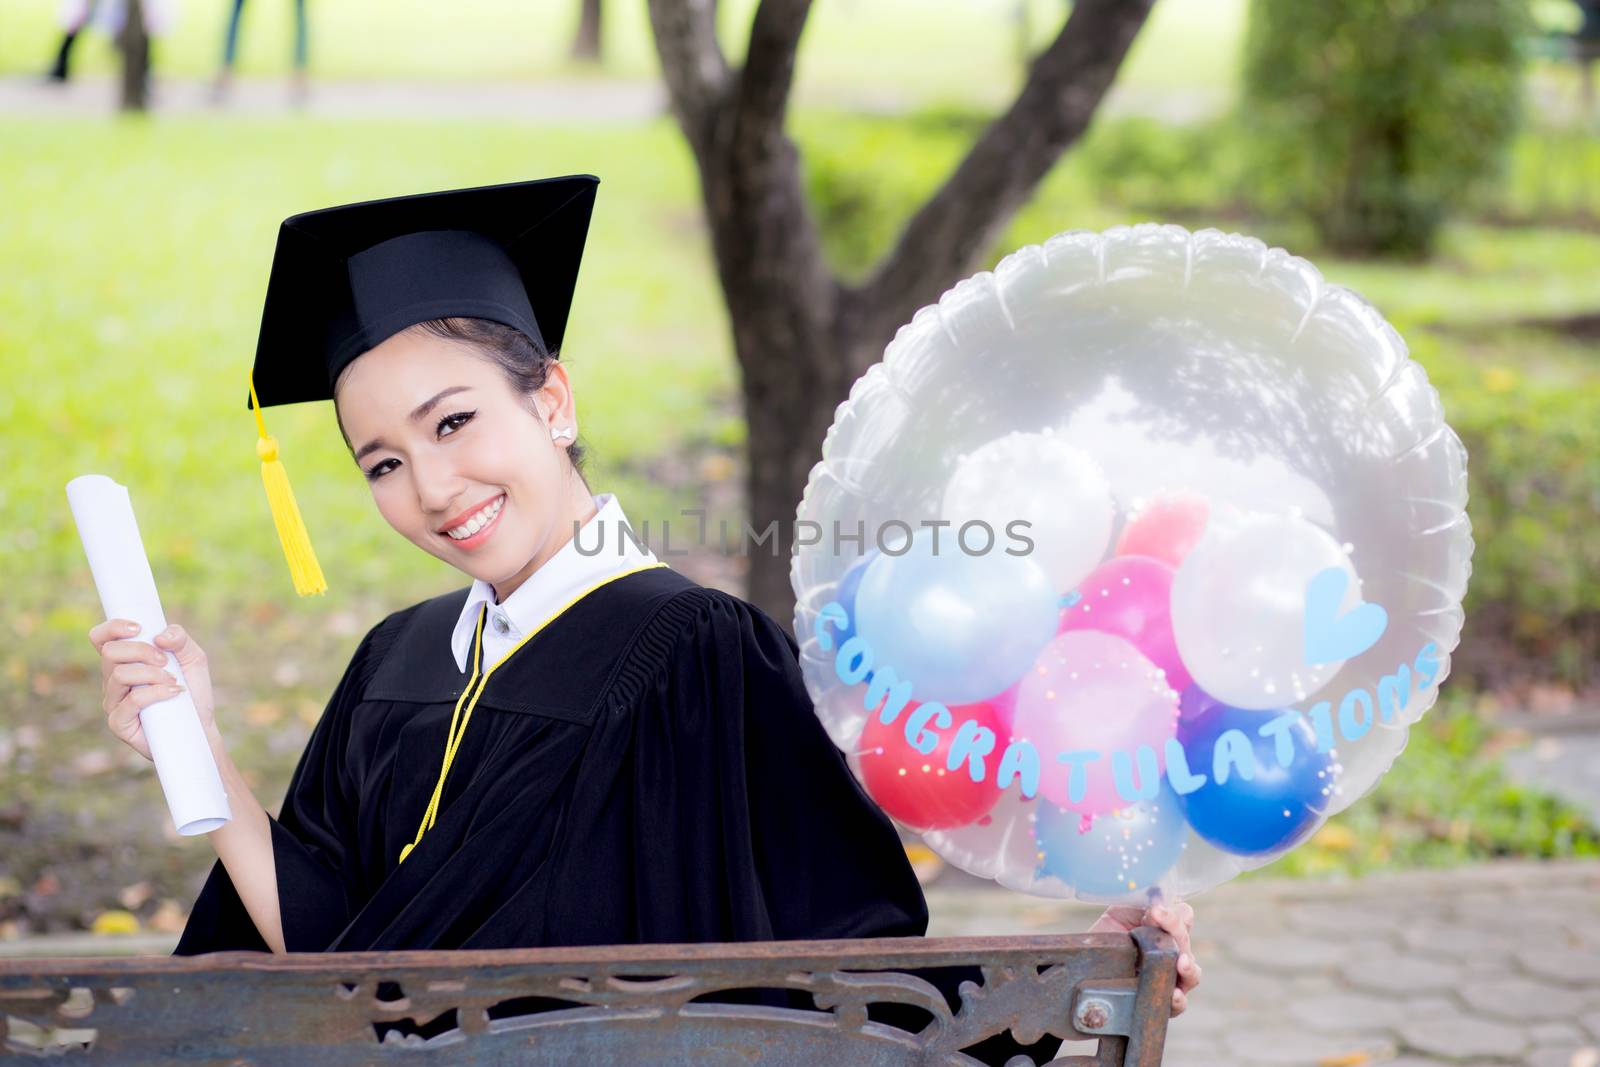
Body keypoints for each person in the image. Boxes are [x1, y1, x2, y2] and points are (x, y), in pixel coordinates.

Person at [89, 176, 1200, 1062]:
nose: (430, 485)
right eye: (383, 459)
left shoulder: (700, 656)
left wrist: (1071, 974)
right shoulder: (397, 660)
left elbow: (841, 980)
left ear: (554, 401)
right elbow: (326, 971)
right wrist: (201, 752)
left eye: (456, 420)